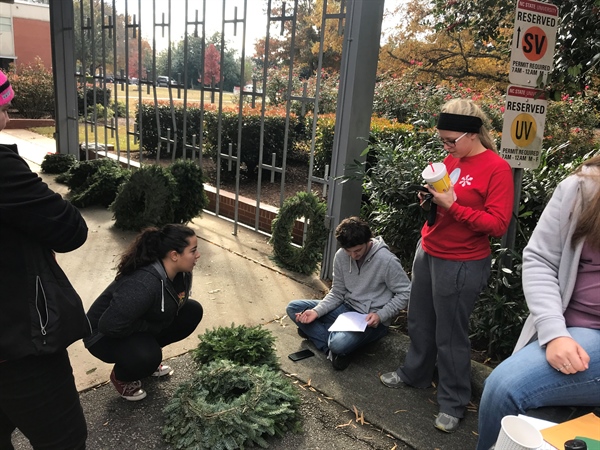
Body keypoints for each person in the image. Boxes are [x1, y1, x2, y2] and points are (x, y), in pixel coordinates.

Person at [379, 98, 514, 433]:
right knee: (419, 319)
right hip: (429, 248)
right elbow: (446, 201)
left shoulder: (496, 168)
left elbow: (497, 224)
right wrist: (430, 202)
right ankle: (416, 373)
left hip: (462, 260)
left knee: (450, 333)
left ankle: (454, 401)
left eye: (450, 140)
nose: (445, 146)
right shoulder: (450, 160)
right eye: (441, 140)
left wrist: (453, 206)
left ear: (472, 134)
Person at [476, 156, 600, 450]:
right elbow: (540, 259)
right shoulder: (580, 190)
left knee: (506, 387)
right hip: (569, 325)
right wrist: (554, 331)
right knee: (502, 387)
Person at [0, 70, 89, 449]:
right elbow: (70, 230)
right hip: (19, 345)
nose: (6, 115)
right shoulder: (3, 170)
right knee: (63, 439)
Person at [84, 224, 204, 401]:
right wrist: (149, 327)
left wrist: (152, 326)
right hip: (101, 336)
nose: (198, 255)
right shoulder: (143, 283)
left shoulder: (183, 272)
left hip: (135, 322)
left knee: (191, 311)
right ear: (174, 255)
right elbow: (108, 325)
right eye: (193, 251)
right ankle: (123, 376)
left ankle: (147, 360)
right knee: (147, 356)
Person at [286, 216, 411, 371]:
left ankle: (323, 338)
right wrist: (316, 312)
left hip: (371, 319)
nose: (353, 255)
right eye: (348, 251)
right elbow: (337, 292)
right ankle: (333, 349)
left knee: (338, 343)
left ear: (367, 241)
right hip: (345, 309)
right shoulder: (340, 256)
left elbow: (406, 292)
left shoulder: (387, 261)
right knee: (294, 308)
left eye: (357, 250)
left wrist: (381, 315)